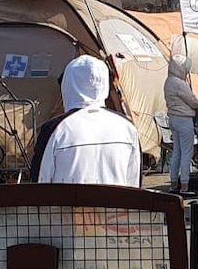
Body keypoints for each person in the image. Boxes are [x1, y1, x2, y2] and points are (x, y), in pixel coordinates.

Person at [31, 55, 141, 186]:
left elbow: (39, 182)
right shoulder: (127, 127)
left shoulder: (55, 129)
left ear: (67, 84)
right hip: (115, 205)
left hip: (65, 205)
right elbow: (134, 182)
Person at [164, 54, 198, 195]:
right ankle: (185, 186)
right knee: (187, 153)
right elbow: (192, 101)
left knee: (177, 152)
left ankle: (174, 183)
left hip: (173, 119)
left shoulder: (168, 81)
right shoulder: (179, 83)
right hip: (184, 120)